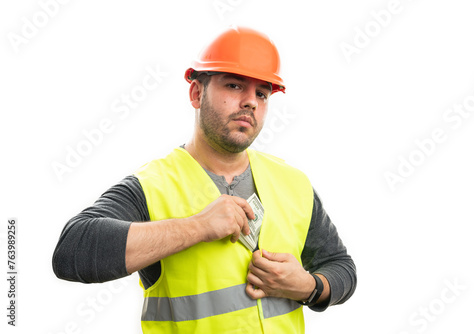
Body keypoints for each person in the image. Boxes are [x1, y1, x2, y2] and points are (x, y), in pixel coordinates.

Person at [53, 26, 357, 333]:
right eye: (235, 86)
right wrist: (198, 226)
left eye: (262, 93)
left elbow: (342, 267)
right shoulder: (152, 187)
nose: (250, 101)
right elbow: (72, 252)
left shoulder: (293, 183)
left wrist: (308, 286)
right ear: (197, 93)